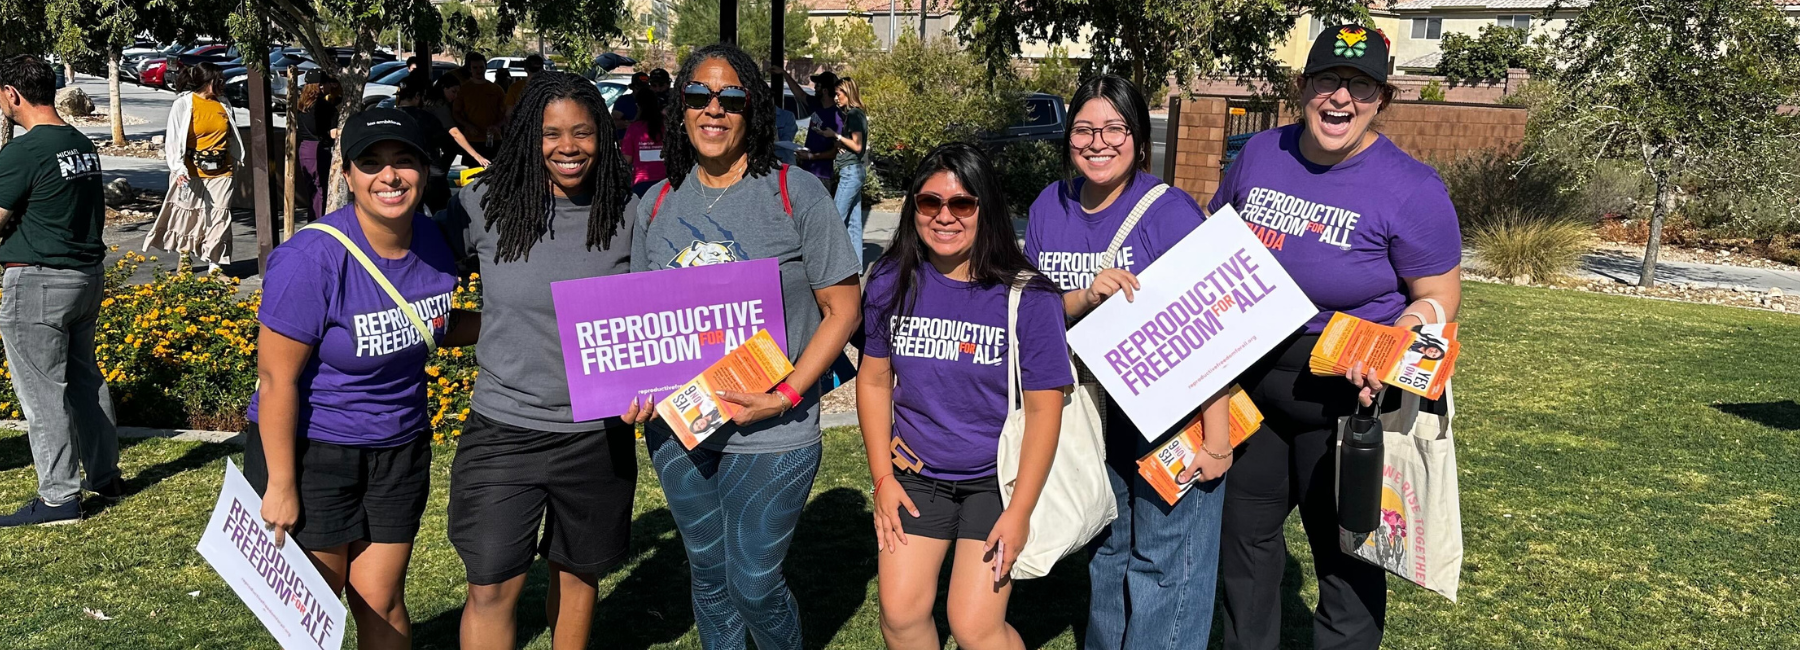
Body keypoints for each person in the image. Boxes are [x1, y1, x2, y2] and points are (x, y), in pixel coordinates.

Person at [1208, 26, 1461, 650]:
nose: (1340, 97)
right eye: (1327, 80)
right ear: (1303, 88)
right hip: (1254, 384)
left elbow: (1439, 298)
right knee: (1243, 549)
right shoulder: (1261, 155)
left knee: (1348, 563)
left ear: (1382, 99)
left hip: (1348, 395)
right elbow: (1212, 248)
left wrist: (1404, 331)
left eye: (1361, 86)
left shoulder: (1413, 188)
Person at [621, 42, 862, 650]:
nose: (714, 109)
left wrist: (784, 396)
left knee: (753, 579)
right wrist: (635, 390)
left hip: (772, 430)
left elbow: (844, 309)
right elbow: (642, 325)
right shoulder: (657, 205)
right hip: (682, 429)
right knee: (707, 573)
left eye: (731, 97)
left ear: (751, 110)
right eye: (699, 96)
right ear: (681, 109)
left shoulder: (795, 193)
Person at [246, 108, 480, 649]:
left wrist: (520, 330)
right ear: (347, 174)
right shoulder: (311, 258)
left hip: (400, 446)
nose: (389, 177)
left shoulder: (434, 240)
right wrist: (281, 485)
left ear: (426, 170)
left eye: (404, 161)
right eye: (371, 163)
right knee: (314, 612)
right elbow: (276, 379)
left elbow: (431, 323)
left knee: (382, 598)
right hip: (314, 451)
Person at [1022, 73, 1233, 649]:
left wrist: (1217, 436)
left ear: (1138, 139)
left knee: (1169, 563)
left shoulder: (1170, 213)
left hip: (1169, 413)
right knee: (1108, 550)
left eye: (1114, 129)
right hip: (1088, 408)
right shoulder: (1050, 205)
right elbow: (1034, 308)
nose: (1098, 142)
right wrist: (1087, 295)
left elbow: (1211, 326)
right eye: (1084, 130)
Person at [439, 71, 640, 650]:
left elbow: (660, 318)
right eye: (552, 134)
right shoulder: (484, 203)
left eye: (582, 132)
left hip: (596, 435)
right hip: (505, 430)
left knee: (578, 578)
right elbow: (417, 279)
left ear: (601, 135)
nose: (568, 147)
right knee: (491, 587)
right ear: (530, 136)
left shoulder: (629, 214)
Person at [858, 142, 1071, 650]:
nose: (944, 216)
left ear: (986, 208)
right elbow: (872, 379)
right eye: (929, 202)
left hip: (994, 484)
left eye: (962, 204)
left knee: (974, 626)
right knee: (901, 616)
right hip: (914, 476)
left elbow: (1046, 409)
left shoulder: (1030, 297)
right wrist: (882, 478)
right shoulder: (891, 279)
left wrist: (1018, 512)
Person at [0, 54, 123, 527]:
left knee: (42, 394)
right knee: (85, 383)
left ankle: (59, 498)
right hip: (85, 277)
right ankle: (106, 477)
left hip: (39, 283)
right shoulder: (80, 143)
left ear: (12, 94)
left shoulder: (25, 150)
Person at [145, 61, 242, 273]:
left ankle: (215, 267)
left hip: (222, 170)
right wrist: (178, 168)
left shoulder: (224, 103)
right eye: (219, 80)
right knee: (189, 215)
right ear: (207, 83)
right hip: (191, 171)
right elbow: (173, 139)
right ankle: (184, 258)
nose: (222, 84)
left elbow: (230, 136)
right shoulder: (184, 104)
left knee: (220, 216)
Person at [815, 76, 868, 265]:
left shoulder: (854, 115)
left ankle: (831, 263)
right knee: (853, 223)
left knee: (836, 217)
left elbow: (858, 145)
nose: (836, 98)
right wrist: (838, 141)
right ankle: (855, 266)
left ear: (848, 92)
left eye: (839, 94)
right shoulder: (855, 114)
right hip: (853, 171)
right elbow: (853, 144)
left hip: (850, 172)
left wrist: (836, 135)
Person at [393, 81, 451, 213]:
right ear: (417, 97)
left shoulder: (390, 119)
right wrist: (443, 165)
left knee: (411, 215)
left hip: (403, 173)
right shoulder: (427, 118)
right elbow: (447, 144)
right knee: (443, 215)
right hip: (432, 171)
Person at [294, 71, 342, 221]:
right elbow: (334, 134)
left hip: (304, 148)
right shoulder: (326, 107)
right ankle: (320, 223)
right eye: (328, 82)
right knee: (322, 190)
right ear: (321, 86)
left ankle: (312, 221)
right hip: (319, 149)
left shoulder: (301, 105)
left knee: (312, 190)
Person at [423, 74, 491, 169]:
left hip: (427, 147)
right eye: (453, 91)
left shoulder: (430, 102)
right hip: (428, 149)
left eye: (457, 93)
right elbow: (455, 133)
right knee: (437, 174)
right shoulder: (440, 106)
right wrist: (476, 156)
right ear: (443, 88)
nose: (455, 96)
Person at [451, 52, 505, 160]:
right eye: (475, 67)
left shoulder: (496, 89)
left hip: (493, 139)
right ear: (470, 69)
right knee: (472, 173)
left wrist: (497, 126)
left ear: (485, 67)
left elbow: (507, 114)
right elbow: (456, 112)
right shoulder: (464, 89)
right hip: (472, 140)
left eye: (481, 67)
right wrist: (468, 126)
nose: (478, 70)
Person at [794, 70, 843, 184]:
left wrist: (811, 157)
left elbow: (834, 152)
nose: (815, 88)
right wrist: (784, 73)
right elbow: (800, 94)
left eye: (818, 85)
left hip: (822, 175)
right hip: (806, 171)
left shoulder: (837, 117)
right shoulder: (816, 104)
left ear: (825, 90)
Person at [620, 79, 666, 196]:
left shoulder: (634, 129)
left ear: (638, 106)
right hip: (665, 183)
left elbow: (627, 159)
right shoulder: (666, 126)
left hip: (641, 184)